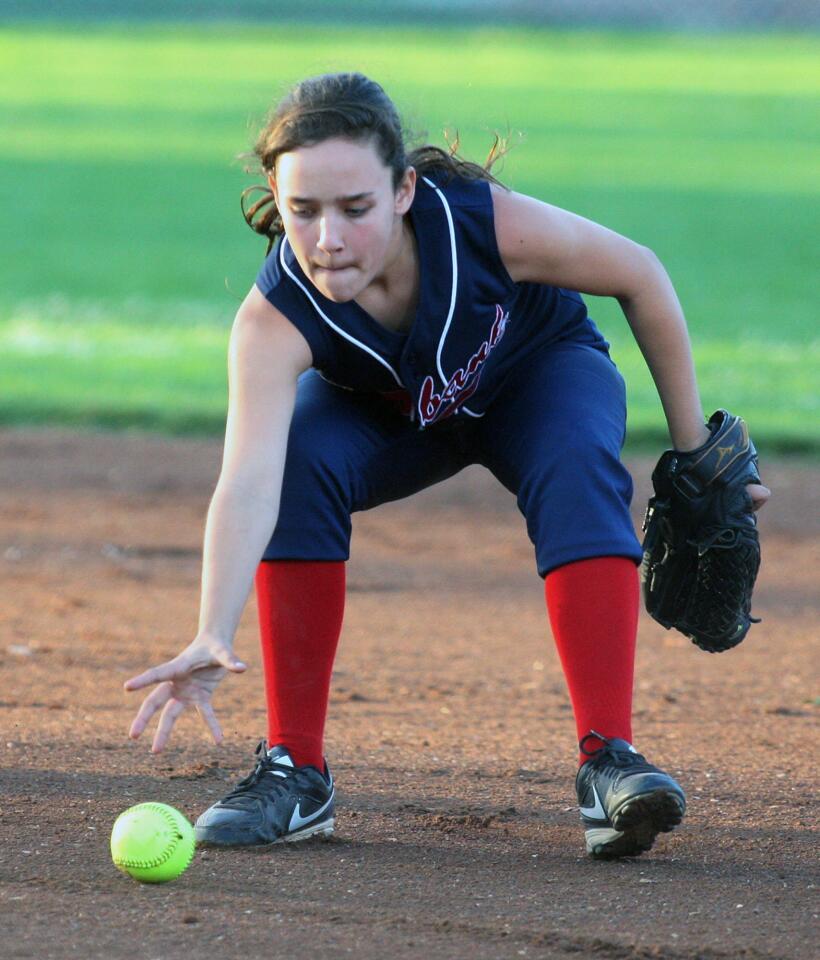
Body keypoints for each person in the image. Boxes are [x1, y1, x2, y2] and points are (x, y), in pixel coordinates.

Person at [124, 72, 770, 859]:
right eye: (304, 209)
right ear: (275, 194)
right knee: (295, 461)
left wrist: (694, 449)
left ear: (402, 189)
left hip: (536, 375)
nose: (327, 237)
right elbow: (247, 480)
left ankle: (610, 762)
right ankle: (296, 770)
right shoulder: (275, 315)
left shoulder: (478, 224)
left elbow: (640, 273)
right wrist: (209, 631)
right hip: (395, 416)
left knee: (575, 462)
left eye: (354, 208)